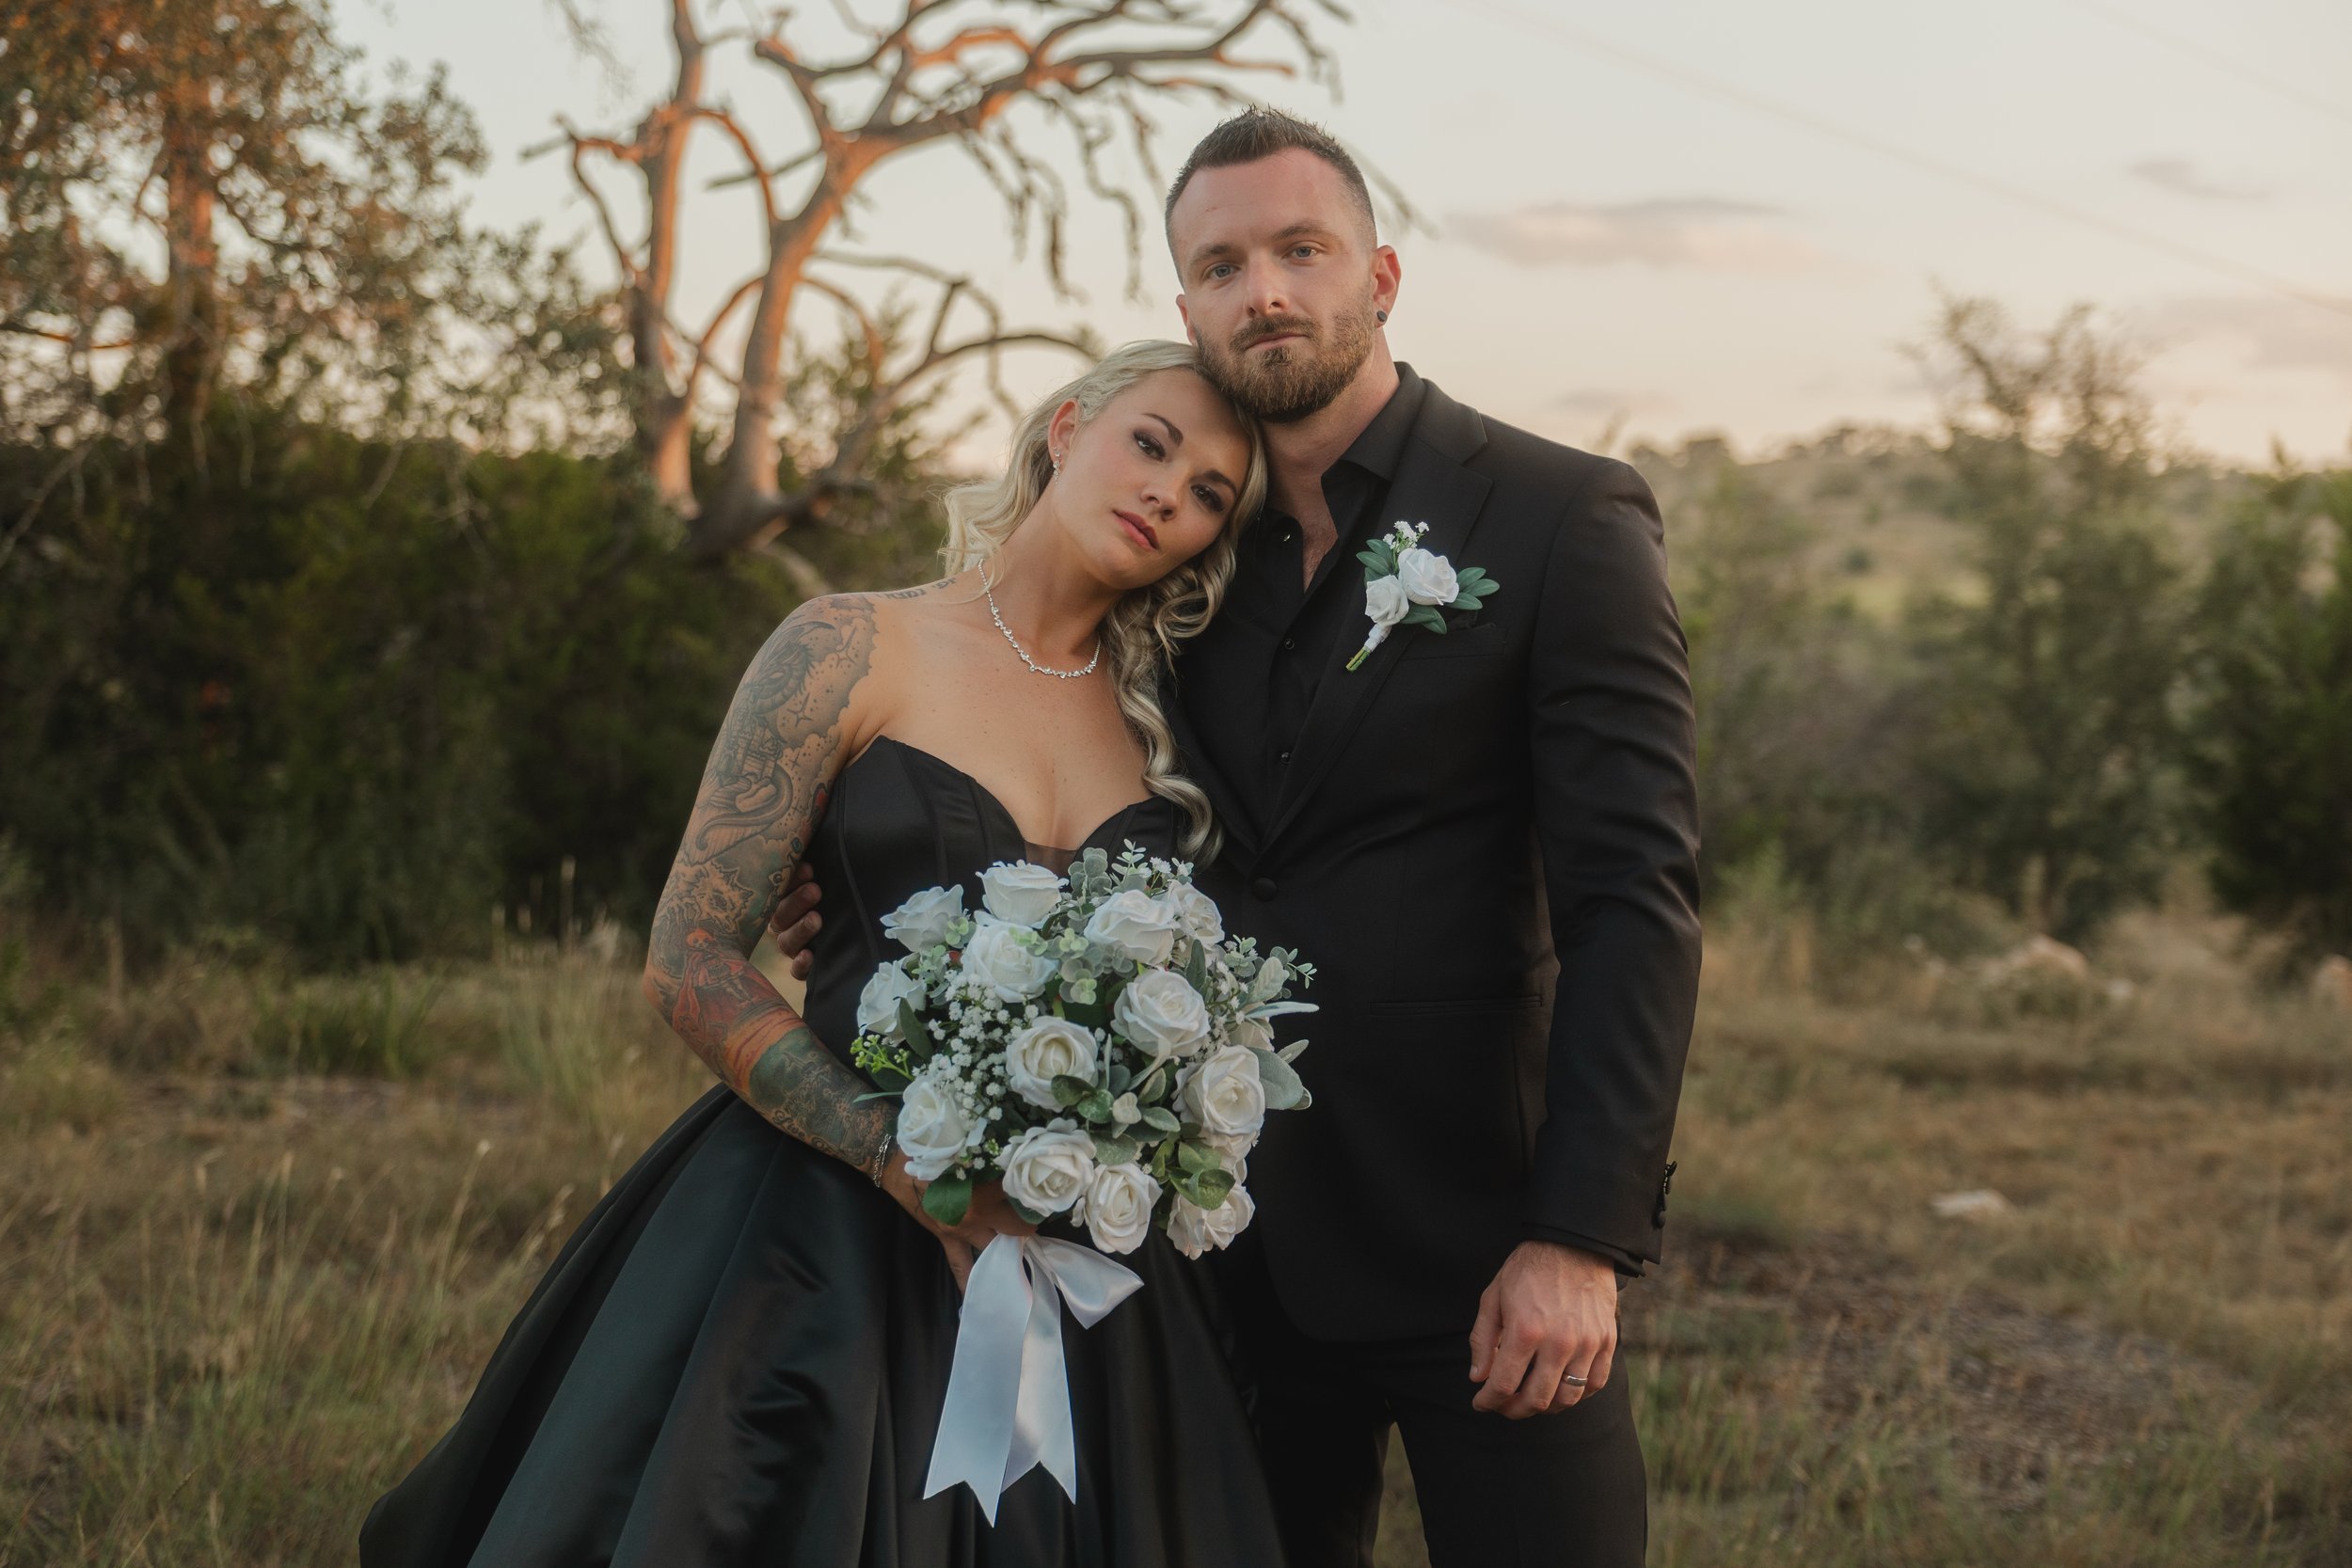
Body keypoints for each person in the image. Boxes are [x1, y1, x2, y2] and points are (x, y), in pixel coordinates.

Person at [772, 108, 1703, 1567]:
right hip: (1214, 1257)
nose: (1263, 289)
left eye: (1298, 250)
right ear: (1189, 309)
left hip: (1483, 1240)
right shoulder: (1188, 552)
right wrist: (867, 890)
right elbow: (1062, 788)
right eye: (1219, 265)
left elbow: (1634, 902)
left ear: (1381, 278)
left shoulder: (1558, 517)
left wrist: (1580, 1241)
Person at [358, 341, 1289, 1567]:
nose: (1170, 492)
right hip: (810, 1237)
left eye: (1212, 492)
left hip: (1083, 1266)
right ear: (1068, 429)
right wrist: (903, 1162)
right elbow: (689, 955)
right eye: (1153, 444)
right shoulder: (850, 647)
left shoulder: (1175, 729)